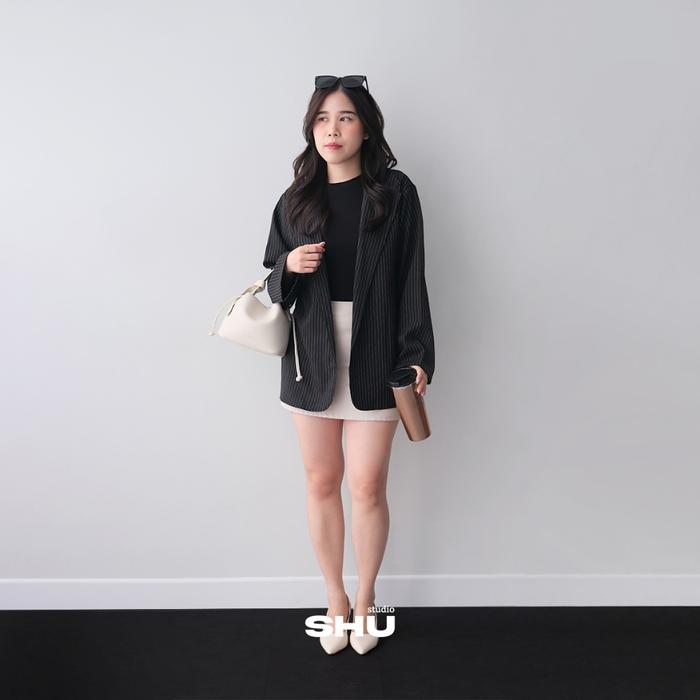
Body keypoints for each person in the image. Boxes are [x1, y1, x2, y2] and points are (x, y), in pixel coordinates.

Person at [262, 75, 435, 655]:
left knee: (366, 484)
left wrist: (416, 354)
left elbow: (412, 276)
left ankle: (366, 600)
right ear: (310, 130)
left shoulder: (395, 194)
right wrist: (289, 266)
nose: (331, 130)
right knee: (321, 481)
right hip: (310, 354)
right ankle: (334, 600)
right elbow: (272, 285)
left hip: (377, 350)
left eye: (345, 118)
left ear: (366, 128)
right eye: (322, 119)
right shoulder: (295, 199)